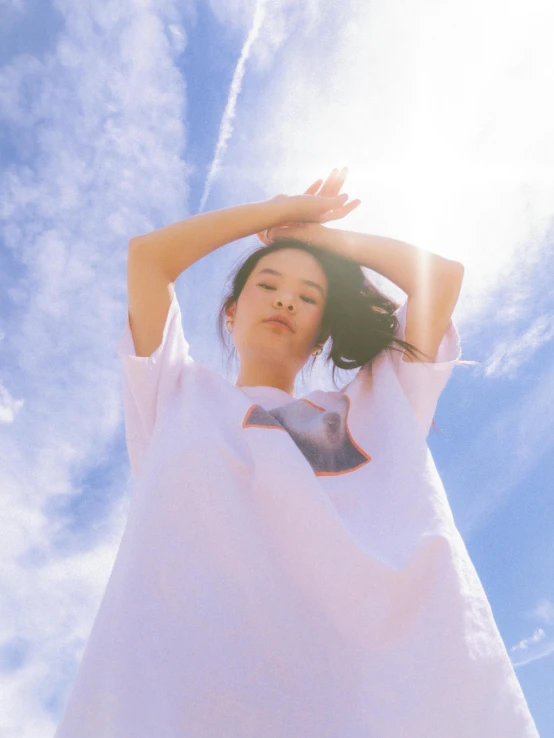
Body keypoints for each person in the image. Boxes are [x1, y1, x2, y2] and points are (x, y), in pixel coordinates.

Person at [53, 168, 539, 737]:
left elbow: (442, 279)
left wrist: (320, 239)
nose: (286, 297)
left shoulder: (380, 400)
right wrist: (274, 213)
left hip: (377, 700)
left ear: (320, 331)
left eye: (309, 297)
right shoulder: (175, 394)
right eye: (268, 283)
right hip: (191, 696)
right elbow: (149, 259)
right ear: (230, 312)